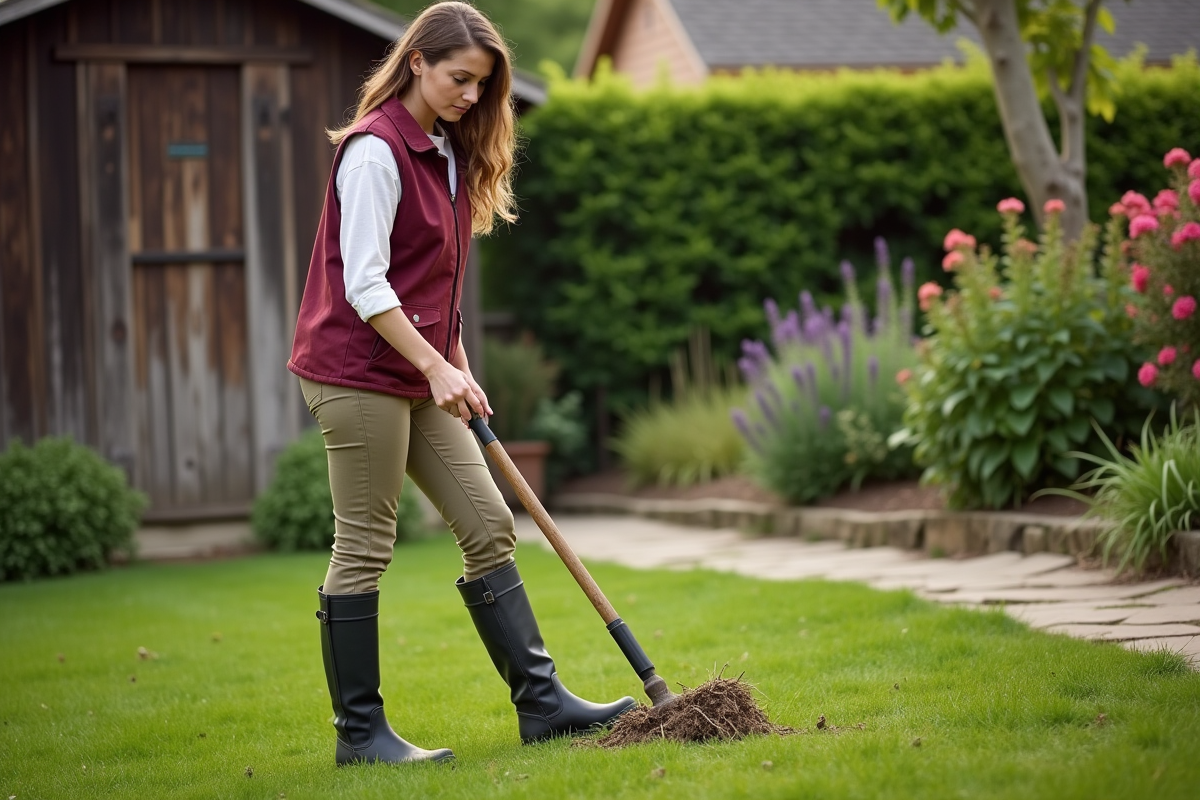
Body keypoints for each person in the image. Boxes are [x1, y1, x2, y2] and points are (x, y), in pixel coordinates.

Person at [287, 1, 635, 767]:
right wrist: (435, 364)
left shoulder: (445, 152)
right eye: (459, 78)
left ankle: (542, 706)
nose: (470, 97)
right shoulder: (375, 152)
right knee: (366, 544)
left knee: (489, 526)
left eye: (481, 86)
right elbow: (369, 288)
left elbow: (434, 285)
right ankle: (361, 737)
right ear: (416, 61)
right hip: (356, 372)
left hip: (418, 369)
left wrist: (457, 363)